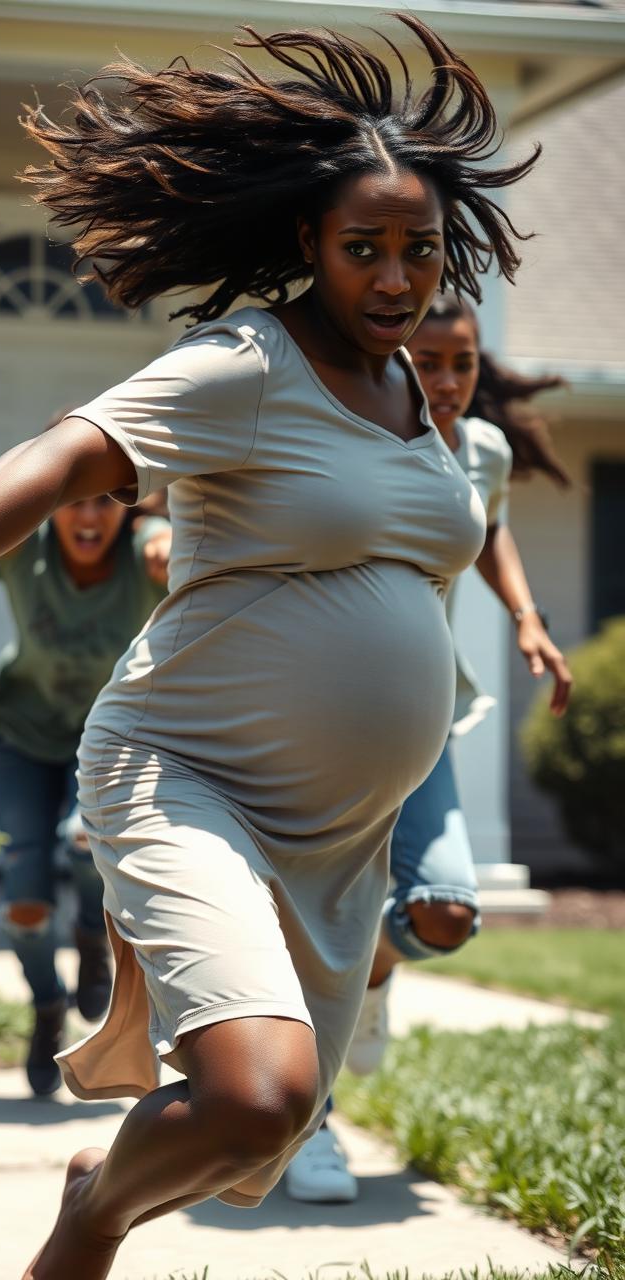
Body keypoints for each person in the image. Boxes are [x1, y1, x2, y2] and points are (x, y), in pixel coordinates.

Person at [0, 17, 543, 1277]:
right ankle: (89, 1213)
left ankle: (108, 1183)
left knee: (261, 1121)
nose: (392, 277)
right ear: (306, 245)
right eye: (361, 247)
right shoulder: (248, 362)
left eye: (416, 251)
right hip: (187, 776)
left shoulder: (416, 406)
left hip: (336, 833)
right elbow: (62, 451)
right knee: (257, 1096)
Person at [285, 294, 573, 1204]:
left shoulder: (480, 451)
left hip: (425, 722)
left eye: (465, 363)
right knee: (316, 929)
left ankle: (376, 971)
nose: (448, 381)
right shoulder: (347, 437)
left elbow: (491, 530)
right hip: (319, 726)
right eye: (431, 360)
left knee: (444, 910)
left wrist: (526, 618)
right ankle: (310, 1133)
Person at [0, 467, 170, 1095]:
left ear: (126, 509)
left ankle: (89, 934)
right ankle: (47, 1007)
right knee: (23, 903)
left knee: (83, 842)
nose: (89, 516)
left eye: (107, 501)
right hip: (23, 734)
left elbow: (161, 537)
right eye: (73, 500)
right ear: (50, 504)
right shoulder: (28, 548)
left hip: (106, 739)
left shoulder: (144, 549)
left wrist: (161, 535)